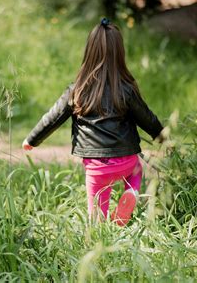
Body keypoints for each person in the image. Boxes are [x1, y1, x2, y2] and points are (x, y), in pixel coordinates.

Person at [22, 18, 165, 226]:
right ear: (120, 54)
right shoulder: (126, 90)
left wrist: (31, 140)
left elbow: (51, 118)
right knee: (137, 170)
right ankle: (131, 192)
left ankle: (100, 234)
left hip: (96, 168)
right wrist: (162, 136)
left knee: (96, 216)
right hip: (126, 162)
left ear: (89, 53)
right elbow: (147, 118)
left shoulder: (77, 90)